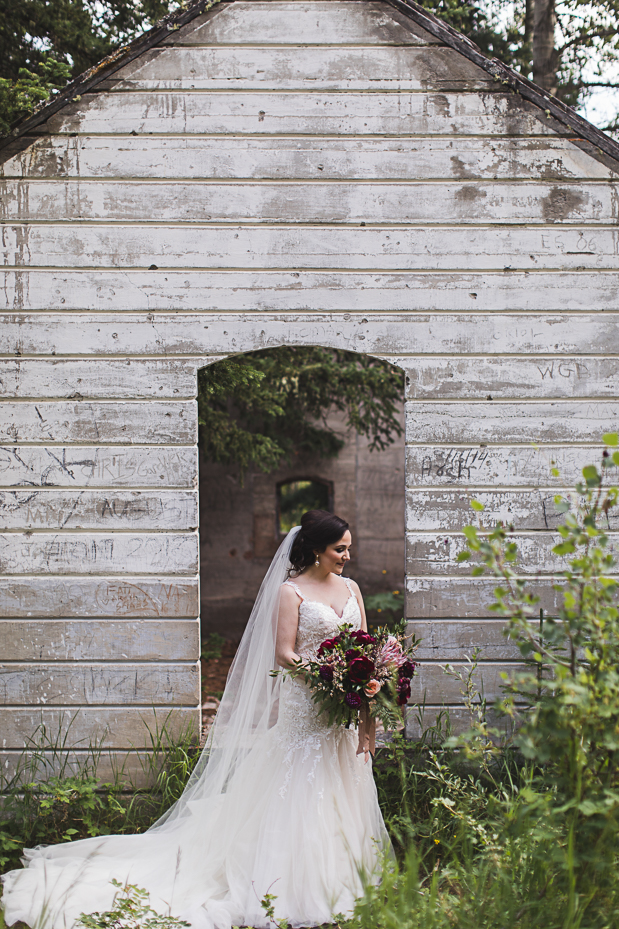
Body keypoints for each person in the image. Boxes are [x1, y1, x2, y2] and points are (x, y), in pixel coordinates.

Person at [1, 510, 391, 929]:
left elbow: (365, 656)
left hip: (341, 712)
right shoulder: (290, 593)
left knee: (341, 781)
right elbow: (284, 653)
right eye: (340, 549)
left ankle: (343, 875)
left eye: (349, 548)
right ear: (317, 548)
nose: (347, 556)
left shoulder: (352, 589)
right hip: (307, 705)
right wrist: (326, 678)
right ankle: (291, 882)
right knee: (297, 785)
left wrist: (365, 717)